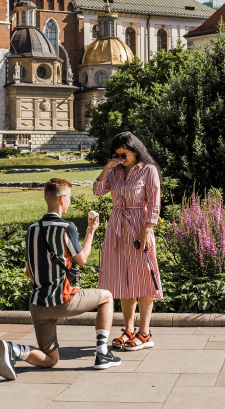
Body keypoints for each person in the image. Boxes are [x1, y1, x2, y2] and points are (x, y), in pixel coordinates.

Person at [0, 178, 119, 380]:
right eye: (69, 198)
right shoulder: (66, 227)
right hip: (62, 300)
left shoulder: (32, 229)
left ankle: (14, 349)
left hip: (37, 305)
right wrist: (90, 232)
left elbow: (29, 272)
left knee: (50, 360)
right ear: (61, 199)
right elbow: (82, 260)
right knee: (106, 296)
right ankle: (103, 354)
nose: (70, 202)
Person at [93, 131, 163, 352]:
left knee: (142, 279)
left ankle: (145, 332)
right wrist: (108, 167)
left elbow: (154, 203)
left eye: (124, 153)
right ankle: (129, 330)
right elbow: (97, 191)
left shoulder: (148, 170)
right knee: (123, 280)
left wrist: (146, 231)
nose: (121, 157)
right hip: (117, 229)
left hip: (139, 228)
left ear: (135, 150)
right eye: (117, 153)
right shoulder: (114, 172)